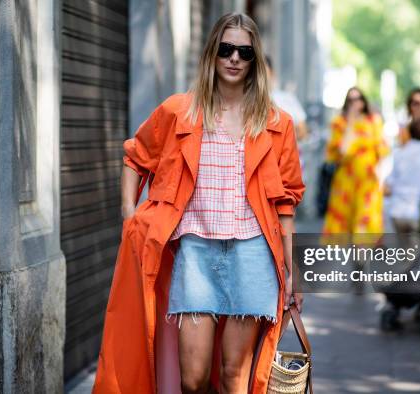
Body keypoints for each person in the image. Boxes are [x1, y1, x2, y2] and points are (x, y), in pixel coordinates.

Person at [92, 13, 305, 394]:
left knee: (233, 378)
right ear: (212, 54)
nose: (235, 58)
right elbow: (135, 157)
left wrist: (293, 273)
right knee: (191, 378)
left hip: (253, 255)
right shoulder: (180, 111)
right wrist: (130, 218)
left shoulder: (276, 122)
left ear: (255, 60)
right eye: (226, 49)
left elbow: (286, 204)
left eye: (244, 51)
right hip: (196, 255)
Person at [322, 87, 389, 237]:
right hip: (346, 181)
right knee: (344, 224)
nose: (355, 103)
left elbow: (382, 152)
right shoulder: (339, 123)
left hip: (368, 180)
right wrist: (351, 123)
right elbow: (343, 152)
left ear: (364, 101)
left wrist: (382, 179)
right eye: (351, 100)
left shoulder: (374, 121)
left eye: (358, 99)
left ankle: (361, 256)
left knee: (366, 218)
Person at [265, 55, 309, 141]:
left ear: (272, 73)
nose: (259, 78)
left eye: (263, 72)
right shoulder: (245, 102)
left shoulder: (287, 99)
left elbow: (303, 131)